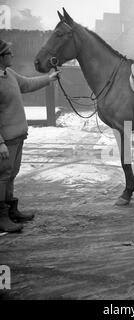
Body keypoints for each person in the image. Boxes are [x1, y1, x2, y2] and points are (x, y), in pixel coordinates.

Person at [0, 39, 60, 233]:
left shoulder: (8, 74)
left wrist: (49, 79)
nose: (13, 55)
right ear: (1, 57)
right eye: (9, 53)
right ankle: (1, 216)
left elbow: (27, 84)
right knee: (2, 176)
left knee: (11, 175)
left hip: (17, 136)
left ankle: (11, 211)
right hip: (5, 140)